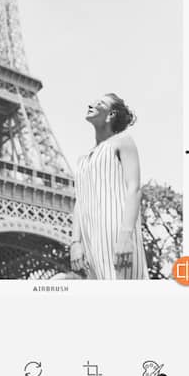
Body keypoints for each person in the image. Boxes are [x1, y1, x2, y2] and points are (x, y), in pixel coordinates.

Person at [70, 93, 148, 279]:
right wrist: (75, 242)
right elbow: (80, 202)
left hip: (116, 231)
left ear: (111, 114)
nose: (91, 103)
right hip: (91, 238)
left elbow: (134, 189)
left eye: (100, 103)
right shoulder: (83, 159)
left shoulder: (123, 141)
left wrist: (126, 235)